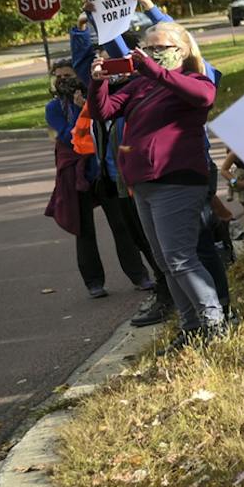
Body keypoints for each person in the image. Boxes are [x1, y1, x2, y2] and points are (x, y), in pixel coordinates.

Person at [88, 20, 225, 342]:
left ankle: (214, 322)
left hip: (177, 179)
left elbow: (203, 99)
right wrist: (98, 82)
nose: (151, 54)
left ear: (182, 50)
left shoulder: (195, 79)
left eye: (159, 48)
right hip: (144, 182)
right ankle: (190, 326)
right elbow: (103, 112)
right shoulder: (140, 85)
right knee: (166, 261)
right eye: (148, 49)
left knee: (180, 257)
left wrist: (150, 69)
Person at [44, 60, 158, 301]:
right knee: (84, 230)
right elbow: (67, 135)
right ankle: (94, 282)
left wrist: (86, 104)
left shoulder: (93, 97)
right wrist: (80, 111)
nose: (63, 79)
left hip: (102, 172)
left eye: (68, 74)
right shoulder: (54, 108)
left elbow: (104, 122)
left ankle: (139, 276)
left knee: (122, 225)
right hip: (76, 175)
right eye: (58, 76)